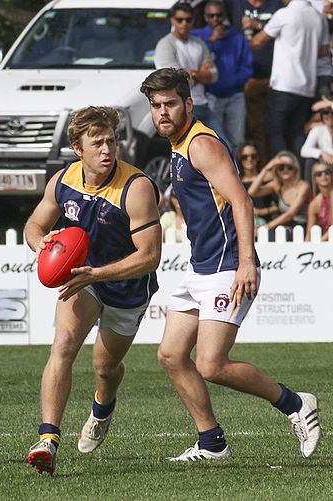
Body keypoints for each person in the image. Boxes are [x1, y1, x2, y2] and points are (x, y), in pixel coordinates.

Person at [141, 67, 321, 461]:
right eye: (156, 106)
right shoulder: (177, 144)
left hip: (226, 266)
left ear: (188, 103)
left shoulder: (201, 144)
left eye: (170, 103)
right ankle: (212, 443)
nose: (163, 112)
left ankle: (295, 404)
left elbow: (242, 202)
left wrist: (245, 263)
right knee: (171, 354)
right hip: (200, 267)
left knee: (210, 363)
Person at [24, 106, 162, 475]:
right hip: (82, 281)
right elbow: (34, 225)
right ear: (76, 148)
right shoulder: (63, 180)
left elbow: (150, 257)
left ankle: (103, 406)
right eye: (97, 143)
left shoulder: (137, 187)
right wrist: (41, 243)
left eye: (111, 141)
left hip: (125, 285)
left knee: (106, 366)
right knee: (64, 343)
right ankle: (48, 439)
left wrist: (97, 274)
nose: (107, 149)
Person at [250, 0, 329, 160]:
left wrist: (248, 40)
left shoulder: (285, 14)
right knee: (296, 134)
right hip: (307, 87)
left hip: (283, 85)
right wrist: (306, 49)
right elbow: (323, 51)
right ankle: (298, 176)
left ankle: (284, 171)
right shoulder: (319, 18)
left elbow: (257, 42)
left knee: (275, 131)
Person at [154, 2, 231, 148]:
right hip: (180, 107)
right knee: (188, 150)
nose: (184, 23)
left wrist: (192, 73)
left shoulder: (199, 44)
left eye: (188, 20)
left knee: (224, 146)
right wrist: (199, 73)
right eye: (180, 20)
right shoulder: (165, 45)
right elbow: (175, 82)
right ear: (172, 20)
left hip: (202, 104)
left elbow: (214, 75)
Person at [224, 0, 283, 162]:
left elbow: (289, 29)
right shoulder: (235, 4)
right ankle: (260, 169)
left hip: (278, 79)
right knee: (255, 129)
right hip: (248, 80)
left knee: (277, 128)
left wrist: (258, 24)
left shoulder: (278, 5)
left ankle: (281, 170)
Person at [191, 0, 253, 149]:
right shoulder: (197, 36)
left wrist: (232, 82)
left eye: (218, 15)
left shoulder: (237, 37)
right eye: (211, 16)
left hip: (235, 95)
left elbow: (247, 68)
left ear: (224, 15)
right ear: (205, 17)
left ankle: (238, 171)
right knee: (215, 140)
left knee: (237, 140)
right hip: (211, 96)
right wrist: (212, 40)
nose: (215, 19)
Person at [248, 150, 312, 237]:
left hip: (303, 229)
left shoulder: (303, 186)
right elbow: (252, 192)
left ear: (295, 168)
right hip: (285, 228)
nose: (285, 170)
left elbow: (291, 214)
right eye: (281, 167)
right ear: (276, 170)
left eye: (289, 167)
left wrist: (265, 227)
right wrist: (266, 168)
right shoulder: (277, 185)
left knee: (268, 236)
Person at [237, 141, 279, 226]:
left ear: (258, 157)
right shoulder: (236, 180)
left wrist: (262, 211)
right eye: (245, 157)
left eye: (253, 156)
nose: (250, 159)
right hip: (242, 224)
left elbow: (280, 205)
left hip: (266, 224)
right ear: (240, 159)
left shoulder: (269, 177)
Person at [301, 100, 333, 180]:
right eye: (326, 113)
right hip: (326, 164)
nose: (329, 116)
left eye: (332, 113)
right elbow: (304, 150)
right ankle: (310, 190)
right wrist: (322, 153)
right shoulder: (318, 130)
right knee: (310, 162)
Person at [306, 162, 333, 240]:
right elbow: (309, 233)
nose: (323, 176)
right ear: (315, 179)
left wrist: (320, 242)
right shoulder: (314, 204)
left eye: (327, 172)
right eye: (319, 174)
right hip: (325, 244)